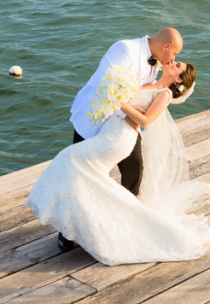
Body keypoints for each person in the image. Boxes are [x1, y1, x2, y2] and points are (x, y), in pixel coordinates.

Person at [26, 61, 210, 265]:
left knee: (69, 159)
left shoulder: (164, 93)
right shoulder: (150, 82)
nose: (172, 62)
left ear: (178, 79)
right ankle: (78, 227)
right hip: (110, 131)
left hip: (119, 138)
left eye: (177, 65)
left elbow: (145, 121)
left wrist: (119, 103)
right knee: (88, 177)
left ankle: (72, 225)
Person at [60, 28, 182, 251]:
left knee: (134, 169)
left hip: (124, 124)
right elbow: (104, 86)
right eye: (173, 55)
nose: (173, 60)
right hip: (94, 118)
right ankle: (68, 231)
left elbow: (140, 93)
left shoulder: (155, 64)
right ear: (166, 47)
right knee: (81, 173)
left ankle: (125, 221)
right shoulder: (125, 49)